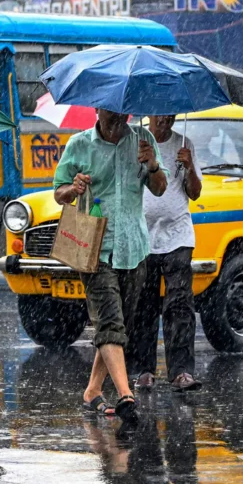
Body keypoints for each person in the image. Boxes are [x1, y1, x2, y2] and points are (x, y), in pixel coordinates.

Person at [54, 108, 168, 421]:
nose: (117, 118)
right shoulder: (79, 145)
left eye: (122, 112)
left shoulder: (143, 141)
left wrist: (153, 164)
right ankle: (125, 394)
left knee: (118, 325)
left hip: (134, 246)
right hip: (95, 248)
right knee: (109, 322)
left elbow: (159, 187)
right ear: (97, 110)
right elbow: (58, 193)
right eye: (110, 112)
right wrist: (73, 187)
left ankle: (92, 389)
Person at [125, 115, 203, 393]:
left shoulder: (184, 144)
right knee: (142, 305)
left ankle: (181, 371)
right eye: (161, 113)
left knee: (179, 305)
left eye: (171, 113)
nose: (166, 119)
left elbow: (194, 193)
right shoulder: (135, 142)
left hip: (178, 236)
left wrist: (190, 167)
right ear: (150, 114)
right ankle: (142, 370)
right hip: (142, 236)